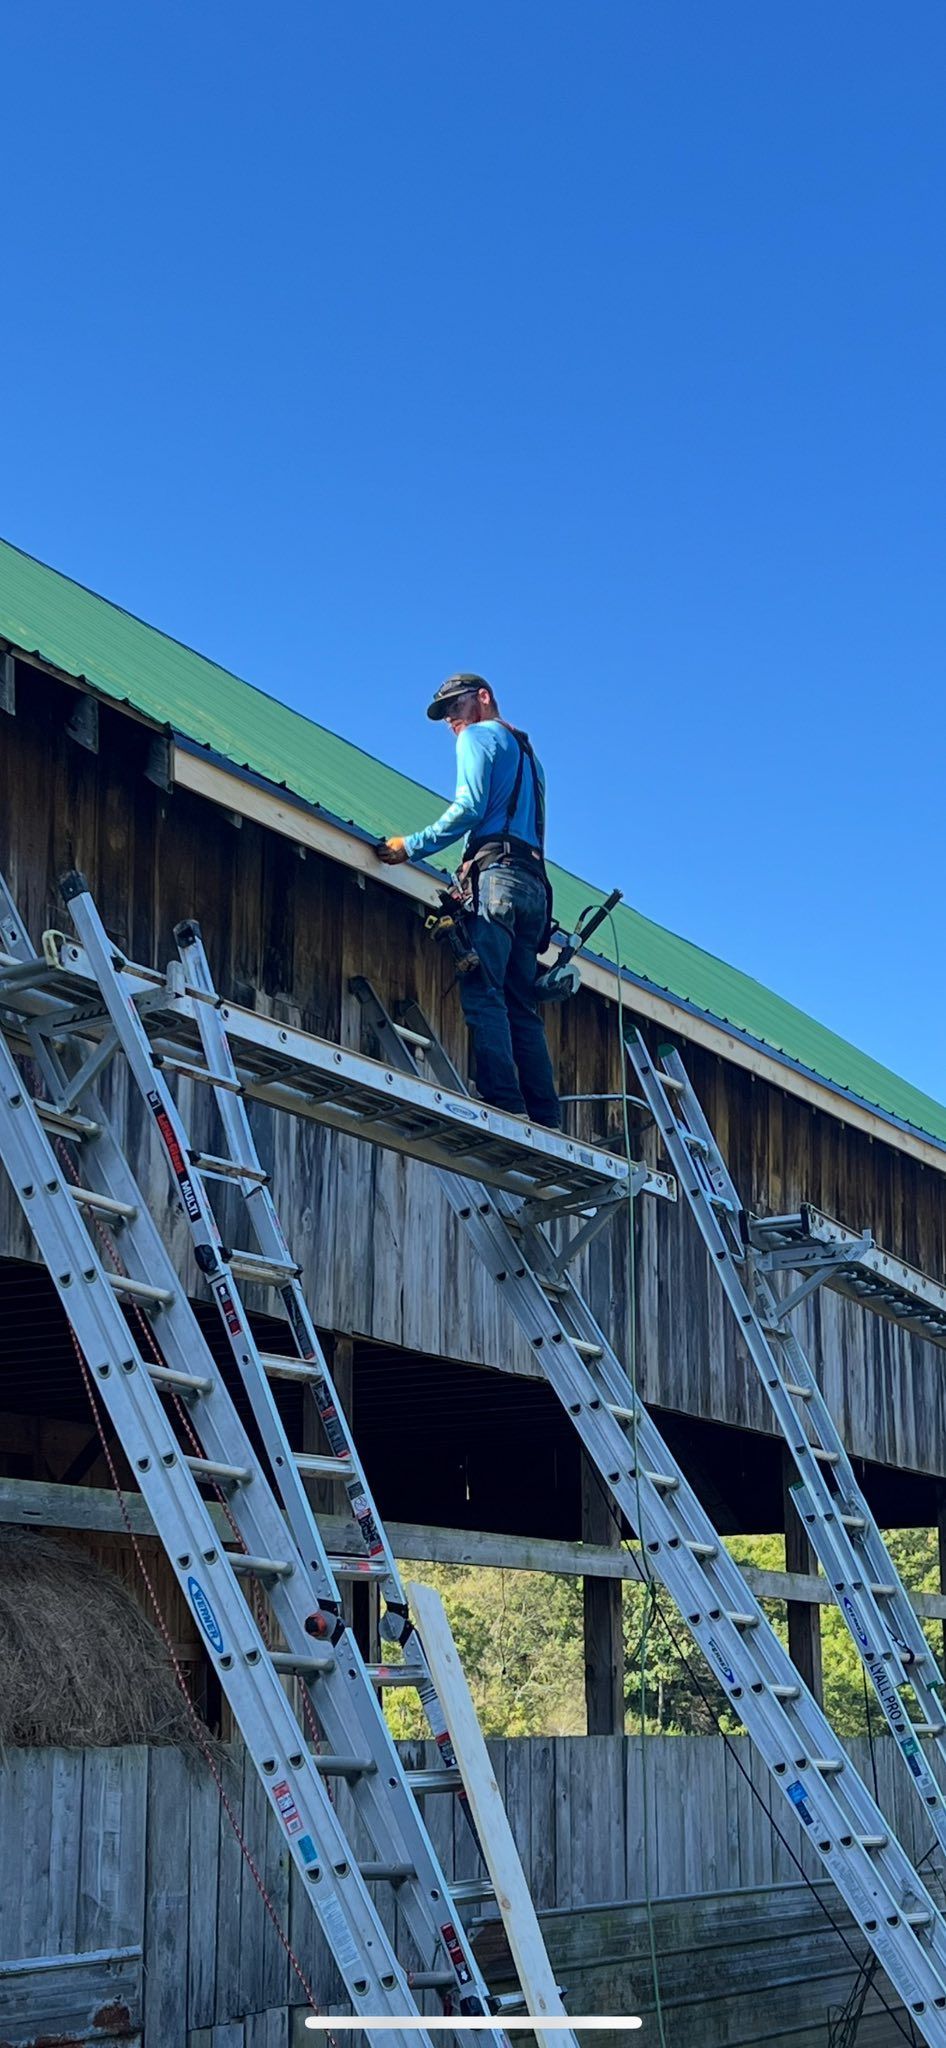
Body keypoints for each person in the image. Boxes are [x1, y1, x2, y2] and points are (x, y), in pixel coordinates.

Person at [376, 673, 562, 1128]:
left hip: (495, 879)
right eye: (445, 716)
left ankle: (505, 1105)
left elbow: (471, 808)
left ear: (483, 698)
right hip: (534, 887)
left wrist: (410, 846)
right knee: (522, 1004)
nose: (451, 722)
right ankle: (546, 1116)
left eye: (455, 708)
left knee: (484, 993)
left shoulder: (479, 737)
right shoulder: (530, 757)